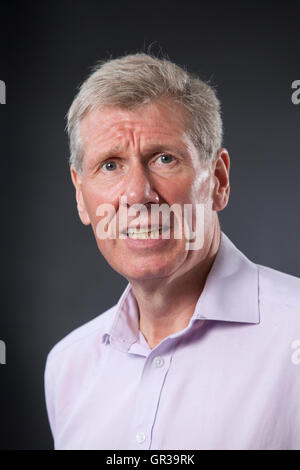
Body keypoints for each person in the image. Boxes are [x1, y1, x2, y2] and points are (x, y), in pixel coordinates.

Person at [44, 53, 300, 450]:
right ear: (81, 195)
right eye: (110, 165)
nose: (137, 194)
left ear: (218, 180)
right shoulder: (68, 367)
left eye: (165, 158)